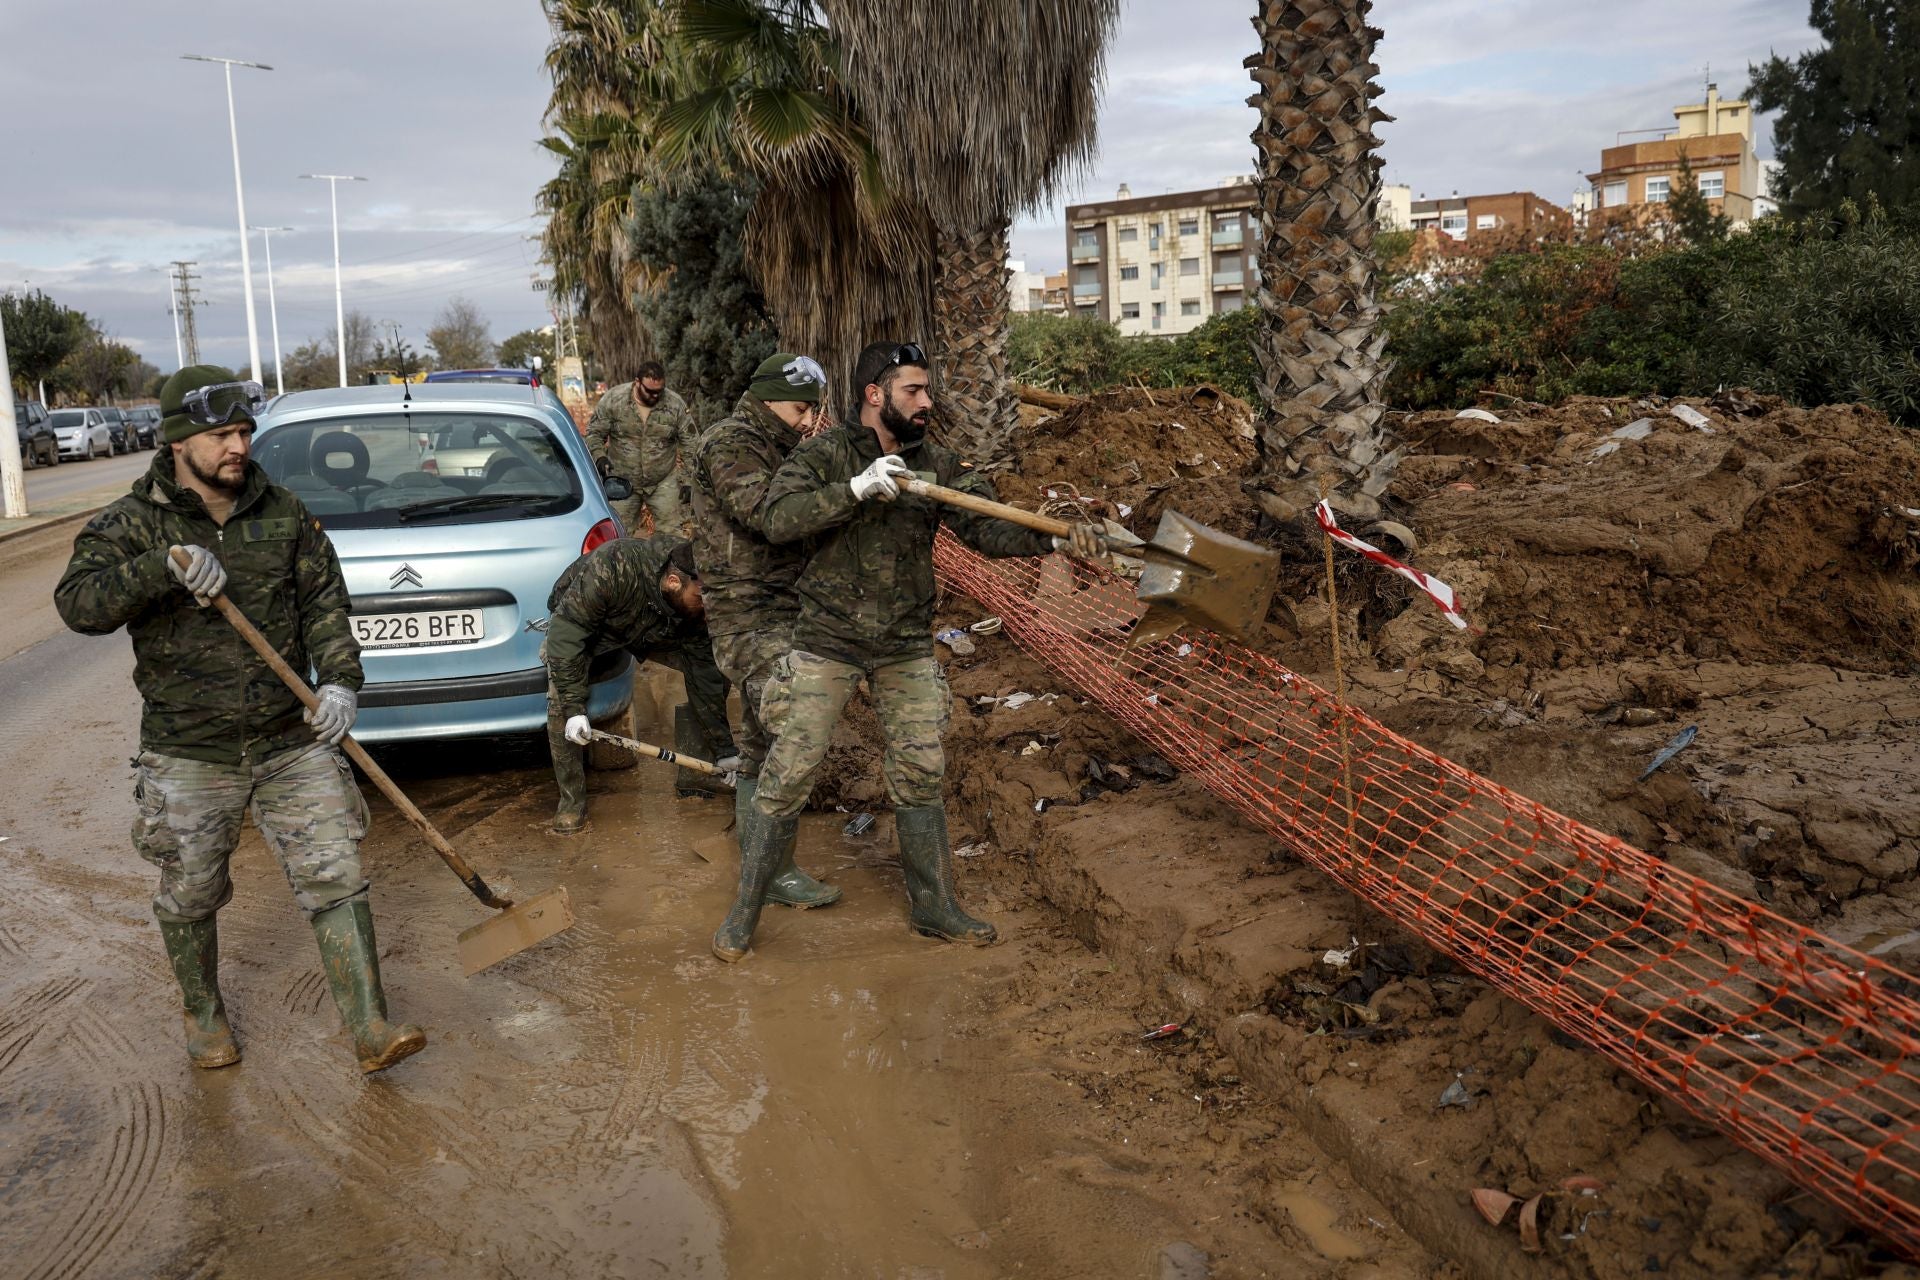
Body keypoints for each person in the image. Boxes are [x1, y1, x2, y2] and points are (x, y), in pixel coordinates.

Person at [54, 364, 425, 1074]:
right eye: (221, 434)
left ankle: (370, 1027)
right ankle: (203, 1016)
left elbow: (325, 608)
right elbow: (79, 605)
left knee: (335, 871)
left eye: (245, 431)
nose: (239, 446)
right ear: (176, 443)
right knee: (191, 887)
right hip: (190, 749)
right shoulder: (133, 524)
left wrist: (342, 683)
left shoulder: (282, 513)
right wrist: (162, 567)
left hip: (291, 739)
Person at [710, 342, 1102, 961]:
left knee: (921, 774)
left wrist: (1053, 544)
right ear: (875, 394)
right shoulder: (823, 456)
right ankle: (744, 912)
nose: (927, 402)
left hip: (904, 646)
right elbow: (778, 519)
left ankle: (935, 907)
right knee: (788, 776)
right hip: (827, 642)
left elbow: (988, 528)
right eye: (913, 391)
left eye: (927, 391)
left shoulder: (938, 464)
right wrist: (855, 490)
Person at [687, 352, 840, 913]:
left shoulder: (778, 445)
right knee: (792, 730)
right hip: (748, 615)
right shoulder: (731, 444)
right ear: (769, 396)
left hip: (783, 605)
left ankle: (765, 866)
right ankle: (772, 873)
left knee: (757, 745)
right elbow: (765, 512)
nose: (806, 421)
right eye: (801, 408)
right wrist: (847, 493)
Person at [544, 533, 738, 834]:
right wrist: (573, 709)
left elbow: (704, 673)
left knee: (717, 665)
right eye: (702, 598)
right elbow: (565, 635)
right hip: (592, 628)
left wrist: (724, 748)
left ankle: (697, 771)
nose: (708, 607)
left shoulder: (695, 601)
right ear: (674, 582)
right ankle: (572, 801)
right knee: (560, 705)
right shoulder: (612, 568)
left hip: (654, 627)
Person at [585, 359, 700, 538]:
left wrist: (688, 480)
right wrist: (599, 456)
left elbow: (691, 443)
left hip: (663, 481)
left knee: (672, 536)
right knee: (618, 535)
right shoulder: (614, 400)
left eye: (659, 392)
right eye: (650, 391)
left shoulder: (675, 404)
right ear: (637, 383)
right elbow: (594, 433)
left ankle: (664, 565)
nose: (655, 396)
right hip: (622, 481)